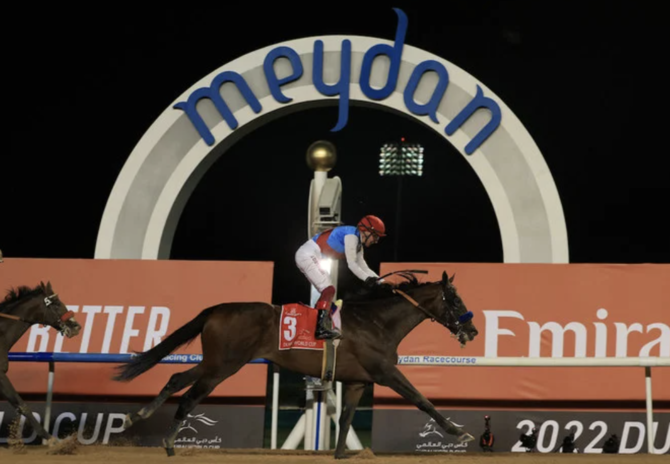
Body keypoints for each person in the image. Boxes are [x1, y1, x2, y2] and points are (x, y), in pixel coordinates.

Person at [295, 215, 386, 339]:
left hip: (312, 255)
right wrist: (367, 279)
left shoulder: (358, 243)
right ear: (367, 231)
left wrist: (382, 281)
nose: (376, 241)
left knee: (328, 291)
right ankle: (319, 328)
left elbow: (364, 267)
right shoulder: (352, 236)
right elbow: (352, 264)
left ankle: (316, 323)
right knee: (329, 290)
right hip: (308, 254)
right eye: (375, 236)